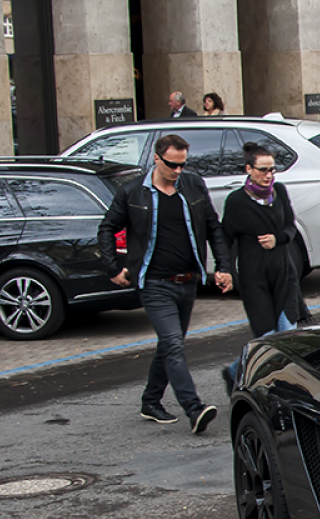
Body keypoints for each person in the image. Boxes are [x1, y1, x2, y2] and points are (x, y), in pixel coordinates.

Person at [97, 134, 233, 434]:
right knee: (172, 344)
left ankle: (150, 400)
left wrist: (223, 267)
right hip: (154, 283)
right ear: (156, 159)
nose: (178, 171)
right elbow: (107, 228)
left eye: (183, 164)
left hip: (188, 281)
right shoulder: (134, 192)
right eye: (172, 165)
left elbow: (213, 226)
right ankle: (194, 408)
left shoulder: (193, 186)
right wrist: (113, 268)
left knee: (170, 344)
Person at [220, 142, 302, 393]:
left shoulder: (279, 192)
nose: (269, 176)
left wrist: (278, 239)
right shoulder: (236, 202)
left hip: (283, 274)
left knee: (287, 336)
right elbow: (225, 238)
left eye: (272, 170)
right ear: (249, 169)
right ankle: (234, 372)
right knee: (267, 340)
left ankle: (284, 392)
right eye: (263, 170)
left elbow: (291, 227)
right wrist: (225, 270)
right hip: (254, 278)